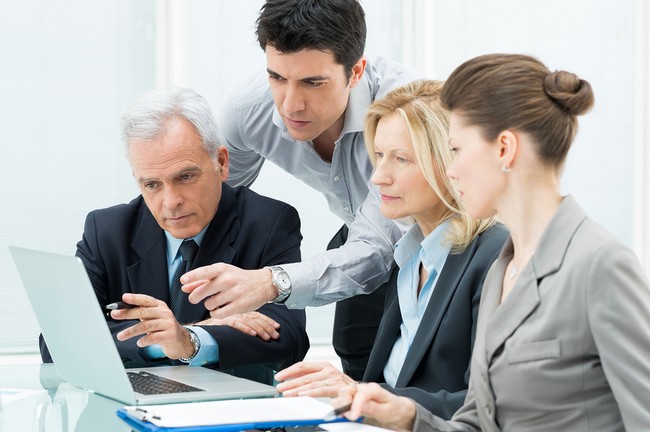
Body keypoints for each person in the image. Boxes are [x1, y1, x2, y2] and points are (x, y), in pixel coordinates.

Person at [334, 54, 650, 431]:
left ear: (504, 149)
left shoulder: (600, 264)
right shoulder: (505, 267)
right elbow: (480, 422)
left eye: (456, 150)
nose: (449, 170)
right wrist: (408, 416)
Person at [182, 0, 419, 379]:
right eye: (277, 77)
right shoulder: (249, 109)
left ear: (356, 71)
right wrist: (214, 309)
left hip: (432, 237)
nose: (290, 104)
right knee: (355, 348)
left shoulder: (402, 112)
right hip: (360, 224)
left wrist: (267, 283)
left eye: (313, 82)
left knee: (409, 369)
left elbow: (378, 249)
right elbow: (216, 210)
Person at [39, 86, 309, 384]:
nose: (170, 202)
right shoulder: (107, 230)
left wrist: (187, 338)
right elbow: (57, 342)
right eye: (152, 184)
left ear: (221, 162)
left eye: (185, 177)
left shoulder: (268, 222)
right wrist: (178, 339)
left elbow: (290, 340)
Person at [273, 80, 507, 420]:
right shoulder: (408, 256)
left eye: (401, 159)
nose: (378, 177)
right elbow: (388, 381)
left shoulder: (494, 258)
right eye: (379, 156)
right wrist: (349, 394)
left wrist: (368, 397)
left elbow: (488, 406)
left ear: (449, 163)